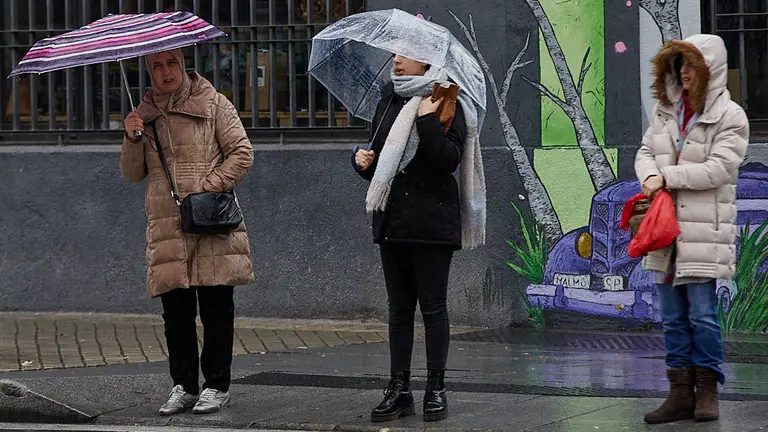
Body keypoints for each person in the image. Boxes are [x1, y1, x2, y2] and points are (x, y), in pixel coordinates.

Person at [353, 45, 486, 422]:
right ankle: (399, 389)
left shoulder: (447, 100)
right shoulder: (390, 99)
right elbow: (379, 160)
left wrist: (428, 120)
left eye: (406, 54)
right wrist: (360, 161)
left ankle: (436, 388)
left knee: (433, 308)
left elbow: (447, 161)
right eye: (395, 53)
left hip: (431, 221)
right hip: (393, 219)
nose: (396, 59)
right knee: (398, 311)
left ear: (426, 61)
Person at [120, 48, 255, 416]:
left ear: (183, 65)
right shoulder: (143, 116)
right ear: (150, 71)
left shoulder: (213, 103)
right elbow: (133, 174)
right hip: (167, 225)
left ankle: (217, 385)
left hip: (210, 221)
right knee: (175, 312)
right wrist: (132, 138)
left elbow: (242, 153)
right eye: (158, 66)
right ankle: (184, 385)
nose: (166, 72)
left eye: (172, 64)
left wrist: (211, 185)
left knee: (215, 308)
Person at [636, 34, 749, 424]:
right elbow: (645, 151)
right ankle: (680, 393)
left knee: (702, 315)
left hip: (703, 234)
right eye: (678, 64)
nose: (682, 72)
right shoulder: (664, 110)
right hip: (664, 232)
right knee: (671, 317)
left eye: (690, 64)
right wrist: (651, 173)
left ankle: (708, 392)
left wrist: (664, 176)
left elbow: (718, 169)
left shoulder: (730, 116)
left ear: (709, 69)